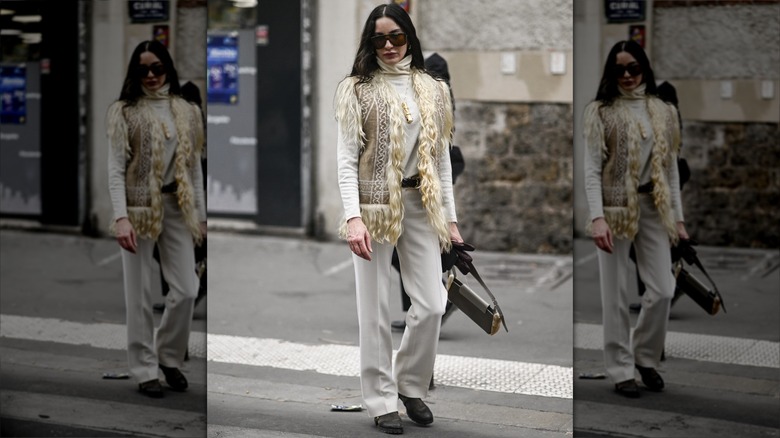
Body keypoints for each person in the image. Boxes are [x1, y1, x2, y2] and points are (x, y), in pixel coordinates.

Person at [334, 3, 462, 434]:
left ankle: (409, 384)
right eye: (379, 39)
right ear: (370, 43)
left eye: (396, 37)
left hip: (421, 206)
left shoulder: (432, 89)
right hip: (373, 209)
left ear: (409, 37)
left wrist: (452, 219)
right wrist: (353, 218)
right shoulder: (357, 88)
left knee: (431, 305)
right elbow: (346, 160)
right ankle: (380, 400)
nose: (388, 46)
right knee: (373, 311)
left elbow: (442, 160)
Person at [583, 40, 689, 399]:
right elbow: (592, 170)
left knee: (663, 290)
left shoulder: (663, 111)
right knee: (614, 296)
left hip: (654, 209)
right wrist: (597, 218)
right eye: (619, 70)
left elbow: (671, 169)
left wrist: (678, 219)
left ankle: (644, 357)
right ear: (611, 74)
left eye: (634, 68)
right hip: (614, 211)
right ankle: (620, 369)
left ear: (644, 68)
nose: (627, 75)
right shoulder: (601, 111)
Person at [106, 40, 207, 398]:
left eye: (157, 68)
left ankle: (167, 355)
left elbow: (194, 168)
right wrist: (121, 218)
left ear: (167, 68)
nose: (150, 75)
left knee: (186, 290)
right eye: (142, 69)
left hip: (177, 207)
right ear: (135, 73)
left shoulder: (186, 111)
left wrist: (202, 216)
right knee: (139, 295)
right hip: (137, 211)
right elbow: (116, 170)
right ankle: (144, 368)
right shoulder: (125, 111)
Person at [390, 52, 464, 335]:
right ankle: (421, 306)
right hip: (416, 181)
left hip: (429, 177)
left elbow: (441, 147)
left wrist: (450, 217)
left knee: (421, 249)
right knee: (409, 250)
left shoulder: (437, 92)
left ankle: (436, 298)